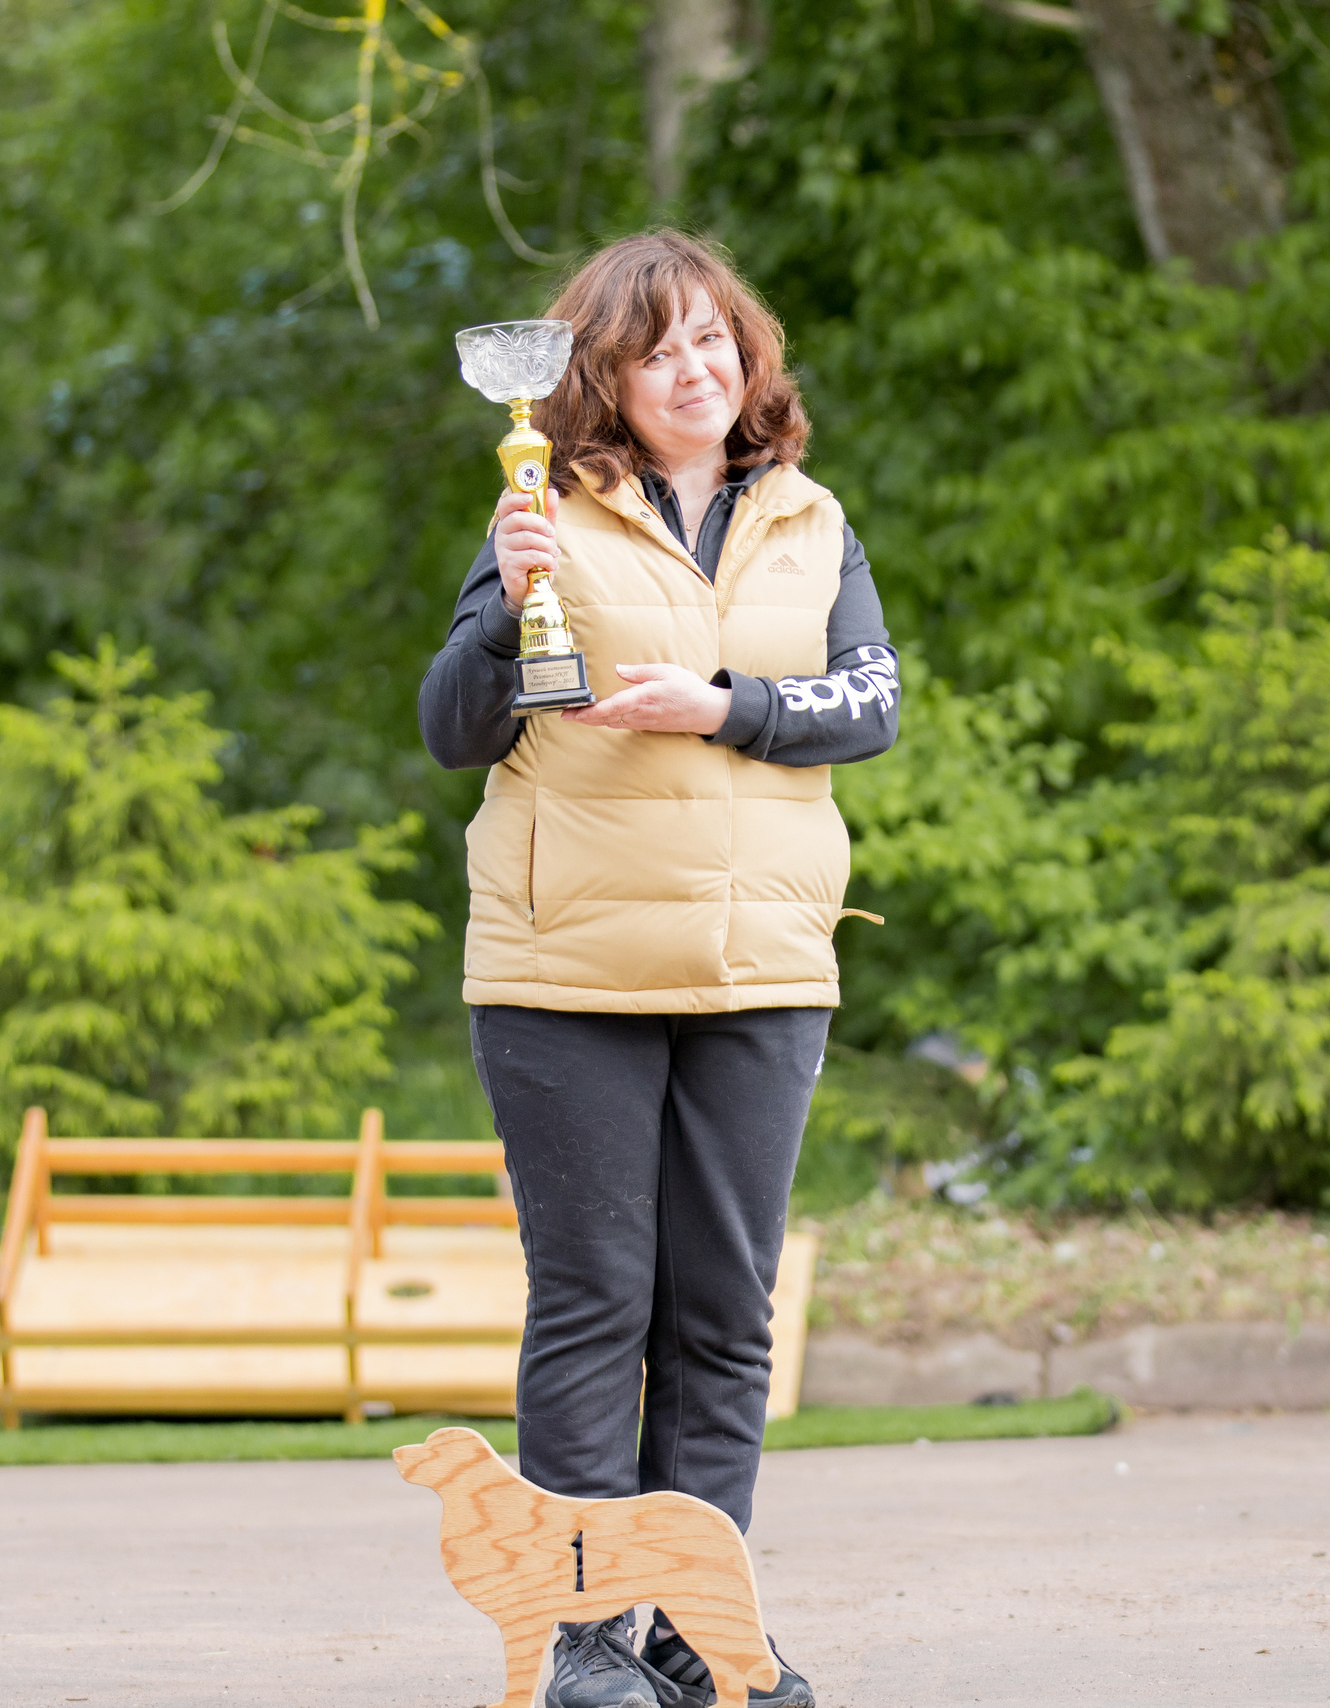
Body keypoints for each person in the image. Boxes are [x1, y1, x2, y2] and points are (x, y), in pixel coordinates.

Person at [418, 230, 899, 1708]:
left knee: (722, 1314)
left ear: (746, 357)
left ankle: (703, 1627)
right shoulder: (538, 513)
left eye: (715, 341)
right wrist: (504, 605)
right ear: (601, 384)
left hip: (763, 963)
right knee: (594, 1301)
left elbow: (867, 703)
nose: (695, 369)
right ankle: (588, 1644)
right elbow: (450, 728)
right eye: (656, 351)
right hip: (568, 970)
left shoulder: (811, 519)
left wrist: (725, 703)